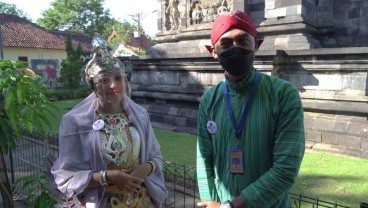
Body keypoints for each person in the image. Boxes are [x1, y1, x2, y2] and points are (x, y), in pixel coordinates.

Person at [196, 10, 305, 208]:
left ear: (257, 44)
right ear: (213, 51)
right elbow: (204, 158)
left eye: (243, 40)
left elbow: (286, 169)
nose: (235, 48)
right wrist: (211, 202)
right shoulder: (209, 100)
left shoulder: (283, 95)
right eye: (226, 43)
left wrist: (232, 206)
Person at [51, 34, 168, 208]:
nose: (113, 85)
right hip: (102, 201)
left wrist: (147, 168)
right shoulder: (75, 122)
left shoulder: (139, 115)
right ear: (92, 84)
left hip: (140, 201)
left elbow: (156, 156)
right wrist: (107, 177)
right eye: (104, 80)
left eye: (118, 78)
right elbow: (66, 177)